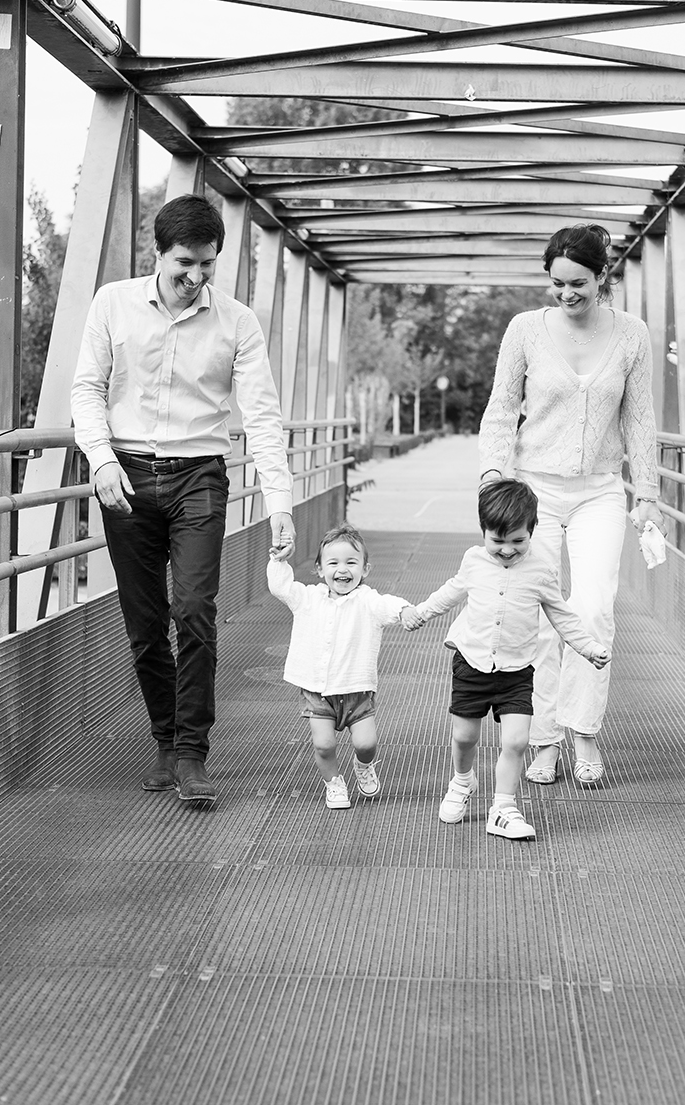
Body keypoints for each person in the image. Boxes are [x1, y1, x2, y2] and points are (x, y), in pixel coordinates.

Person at [70, 194, 295, 806]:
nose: (196, 278)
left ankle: (193, 753)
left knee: (194, 610)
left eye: (207, 265)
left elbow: (263, 415)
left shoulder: (237, 322)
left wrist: (280, 502)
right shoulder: (113, 303)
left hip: (199, 477)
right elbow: (86, 389)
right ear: (158, 253)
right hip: (125, 478)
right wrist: (101, 459)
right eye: (184, 264)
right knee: (145, 625)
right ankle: (165, 741)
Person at [476, 223, 662, 788]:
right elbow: (501, 408)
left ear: (602, 275)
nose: (566, 293)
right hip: (534, 490)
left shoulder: (632, 335)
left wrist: (648, 493)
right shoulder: (525, 329)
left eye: (578, 282)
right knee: (537, 613)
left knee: (592, 608)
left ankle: (584, 732)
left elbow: (640, 418)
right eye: (557, 283)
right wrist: (492, 476)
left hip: (600, 490)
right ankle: (543, 739)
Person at [403, 479, 610, 841]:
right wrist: (420, 613)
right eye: (498, 541)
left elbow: (562, 616)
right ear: (483, 530)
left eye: (518, 540)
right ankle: (462, 781)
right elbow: (451, 592)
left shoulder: (541, 571)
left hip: (516, 672)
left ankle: (503, 808)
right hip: (472, 665)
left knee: (515, 741)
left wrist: (588, 647)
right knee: (464, 737)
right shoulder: (474, 561)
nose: (508, 550)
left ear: (532, 531)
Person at [267, 523, 414, 810]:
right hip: (317, 691)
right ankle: (333, 782)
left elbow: (387, 604)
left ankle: (363, 765)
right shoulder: (307, 598)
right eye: (333, 563)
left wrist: (404, 610)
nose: (342, 569)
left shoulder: (367, 601)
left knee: (366, 744)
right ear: (319, 569)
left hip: (356, 690)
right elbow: (280, 587)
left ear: (365, 569)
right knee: (324, 744)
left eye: (351, 562)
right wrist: (279, 560)